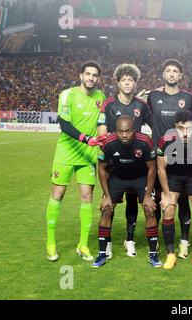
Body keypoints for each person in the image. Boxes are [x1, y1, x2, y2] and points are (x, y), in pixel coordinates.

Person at [45, 60, 106, 262]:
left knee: (87, 197)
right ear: (81, 75)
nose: (91, 78)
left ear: (98, 78)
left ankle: (83, 245)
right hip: (66, 152)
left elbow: (105, 120)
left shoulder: (101, 97)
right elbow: (63, 123)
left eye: (94, 75)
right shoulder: (67, 94)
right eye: (87, 74)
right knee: (58, 194)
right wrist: (86, 139)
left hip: (88, 155)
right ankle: (51, 243)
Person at [146, 59, 192, 260]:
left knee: (186, 201)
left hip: (186, 156)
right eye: (168, 70)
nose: (171, 74)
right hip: (160, 155)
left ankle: (185, 242)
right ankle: (162, 242)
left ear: (180, 76)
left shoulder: (189, 97)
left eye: (175, 71)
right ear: (163, 74)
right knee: (162, 198)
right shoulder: (152, 96)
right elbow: (142, 115)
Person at [97, 63, 152, 258]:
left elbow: (154, 125)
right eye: (124, 80)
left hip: (136, 161)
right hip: (114, 160)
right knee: (109, 203)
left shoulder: (141, 105)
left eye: (131, 80)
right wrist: (107, 146)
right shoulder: (109, 104)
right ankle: (107, 244)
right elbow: (101, 129)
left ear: (135, 83)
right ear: (118, 82)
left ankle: (130, 239)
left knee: (132, 200)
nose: (127, 83)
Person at [92, 115, 159, 267]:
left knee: (149, 209)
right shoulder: (108, 143)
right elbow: (101, 169)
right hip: (118, 177)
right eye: (120, 131)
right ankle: (102, 254)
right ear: (115, 131)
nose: (123, 135)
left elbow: (152, 168)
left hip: (140, 177)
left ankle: (153, 253)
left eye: (127, 131)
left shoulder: (145, 142)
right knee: (106, 209)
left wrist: (148, 196)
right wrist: (107, 196)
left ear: (134, 130)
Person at [157, 110, 192, 270]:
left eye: (189, 128)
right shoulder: (165, 140)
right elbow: (161, 168)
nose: (185, 133)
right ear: (174, 127)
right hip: (174, 175)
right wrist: (165, 194)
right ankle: (170, 255)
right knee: (169, 209)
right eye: (180, 128)